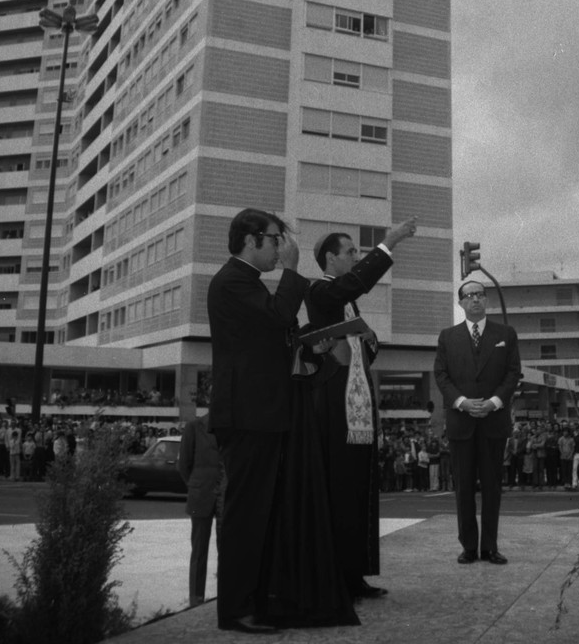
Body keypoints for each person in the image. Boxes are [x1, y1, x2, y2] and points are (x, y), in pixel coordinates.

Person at [209, 207, 355, 633]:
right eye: (274, 240)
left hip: (264, 412)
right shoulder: (232, 281)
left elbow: (271, 339)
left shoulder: (249, 282)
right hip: (247, 415)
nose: (280, 248)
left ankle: (256, 599)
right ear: (250, 240)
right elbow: (276, 316)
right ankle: (235, 609)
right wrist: (293, 271)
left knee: (261, 514)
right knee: (245, 514)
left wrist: (313, 348)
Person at [301, 218, 417, 600]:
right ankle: (334, 575)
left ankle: (354, 573)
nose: (355, 256)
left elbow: (364, 349)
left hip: (359, 402)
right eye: (350, 251)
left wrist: (368, 337)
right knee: (339, 488)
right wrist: (389, 243)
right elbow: (355, 283)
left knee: (359, 489)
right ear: (330, 258)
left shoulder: (347, 302)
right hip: (335, 402)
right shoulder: (319, 290)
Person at [434, 280, 521, 565]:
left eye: (480, 295)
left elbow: (512, 373)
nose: (475, 299)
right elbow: (441, 375)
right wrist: (462, 402)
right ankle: (469, 547)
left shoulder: (505, 334)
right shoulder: (447, 337)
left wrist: (494, 402)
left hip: (493, 421)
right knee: (464, 488)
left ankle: (490, 547)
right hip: (461, 421)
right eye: (469, 296)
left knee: (493, 488)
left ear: (486, 300)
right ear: (460, 302)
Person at [177, 412, 225, 608]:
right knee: (199, 550)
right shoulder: (194, 427)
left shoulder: (231, 427)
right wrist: (195, 486)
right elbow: (183, 465)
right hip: (201, 495)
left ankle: (225, 595)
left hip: (224, 495)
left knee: (226, 549)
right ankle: (196, 598)